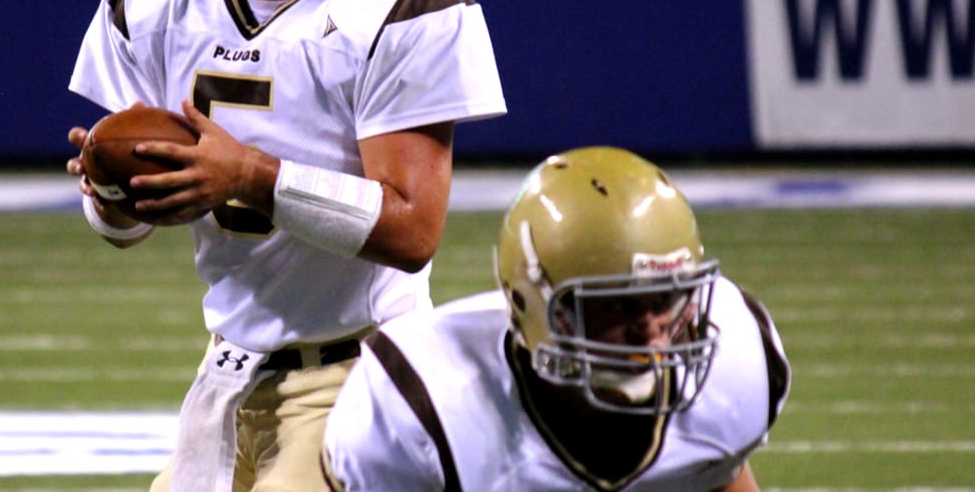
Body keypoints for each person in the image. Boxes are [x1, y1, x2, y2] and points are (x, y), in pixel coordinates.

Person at [63, 0, 506, 490]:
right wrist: (113, 192)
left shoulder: (411, 6)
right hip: (228, 375)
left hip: (362, 374)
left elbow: (413, 229)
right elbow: (118, 231)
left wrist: (250, 177)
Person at [322, 147, 791, 492]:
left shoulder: (736, 364)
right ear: (532, 303)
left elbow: (714, 473)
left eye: (666, 298)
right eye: (615, 305)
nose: (651, 328)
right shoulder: (421, 401)